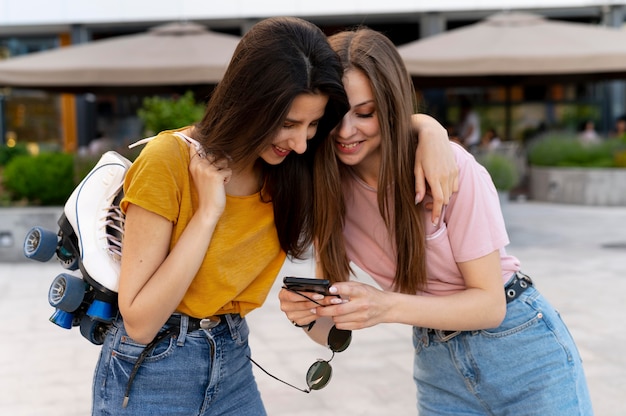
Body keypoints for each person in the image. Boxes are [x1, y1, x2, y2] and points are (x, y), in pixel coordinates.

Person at [91, 17, 457, 416]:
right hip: (153, 371)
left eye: (314, 124)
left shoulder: (293, 167)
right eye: (287, 124)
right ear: (251, 105)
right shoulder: (169, 161)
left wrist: (430, 130)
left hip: (232, 359)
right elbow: (140, 322)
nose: (301, 142)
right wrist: (208, 213)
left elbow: (380, 122)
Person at [280, 27, 593, 415]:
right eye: (334, 115)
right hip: (436, 365)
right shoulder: (325, 187)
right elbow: (332, 330)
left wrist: (386, 306)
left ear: (391, 106)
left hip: (522, 349)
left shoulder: (448, 167)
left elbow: (489, 305)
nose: (346, 131)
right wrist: (308, 316)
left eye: (365, 113)